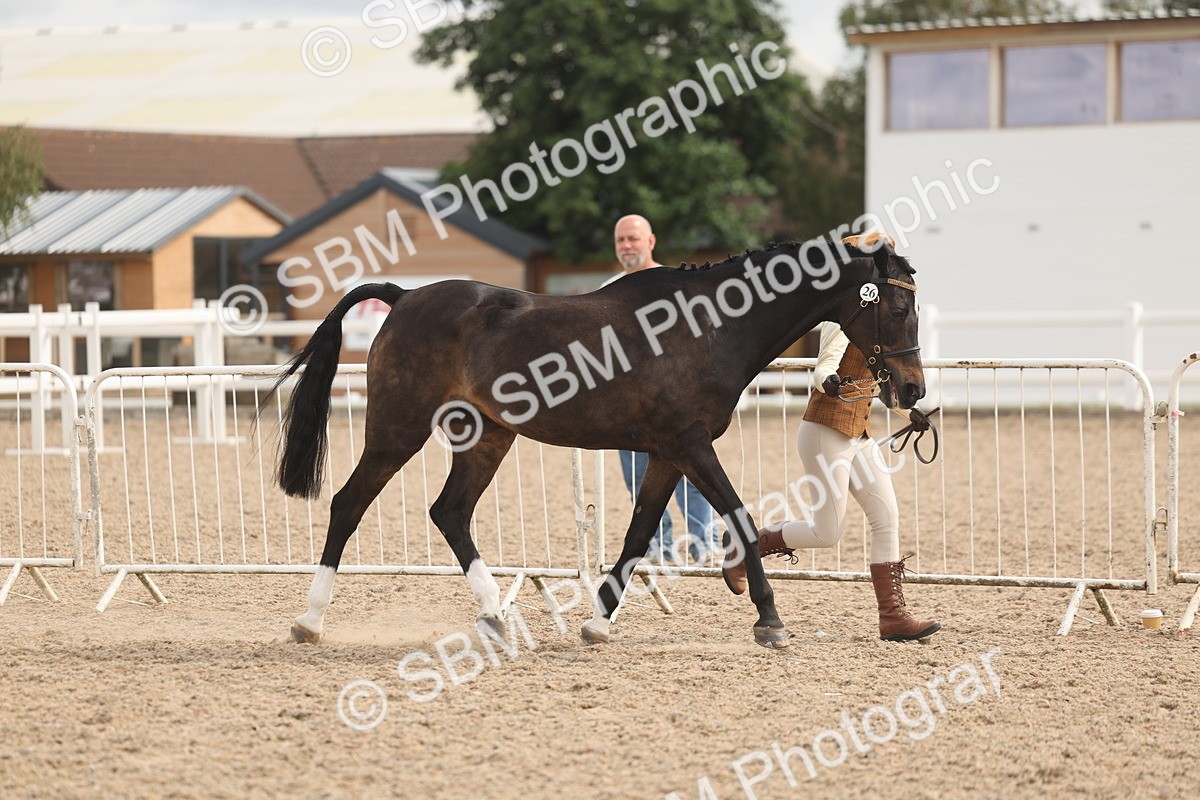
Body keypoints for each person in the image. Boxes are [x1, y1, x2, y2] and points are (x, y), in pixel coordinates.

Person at [722, 233, 940, 642]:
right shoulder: (848, 313)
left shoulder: (879, 318)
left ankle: (892, 616)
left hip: (856, 433)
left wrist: (909, 412)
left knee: (886, 517)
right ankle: (746, 546)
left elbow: (880, 383)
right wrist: (833, 382)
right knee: (828, 532)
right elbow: (823, 369)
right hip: (825, 430)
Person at [604, 214, 720, 565]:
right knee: (639, 480)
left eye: (633, 239)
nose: (627, 246)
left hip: (677, 405)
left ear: (650, 241)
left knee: (694, 474)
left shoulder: (673, 285)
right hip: (625, 408)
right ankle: (658, 549)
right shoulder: (608, 289)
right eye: (621, 239)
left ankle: (705, 544)